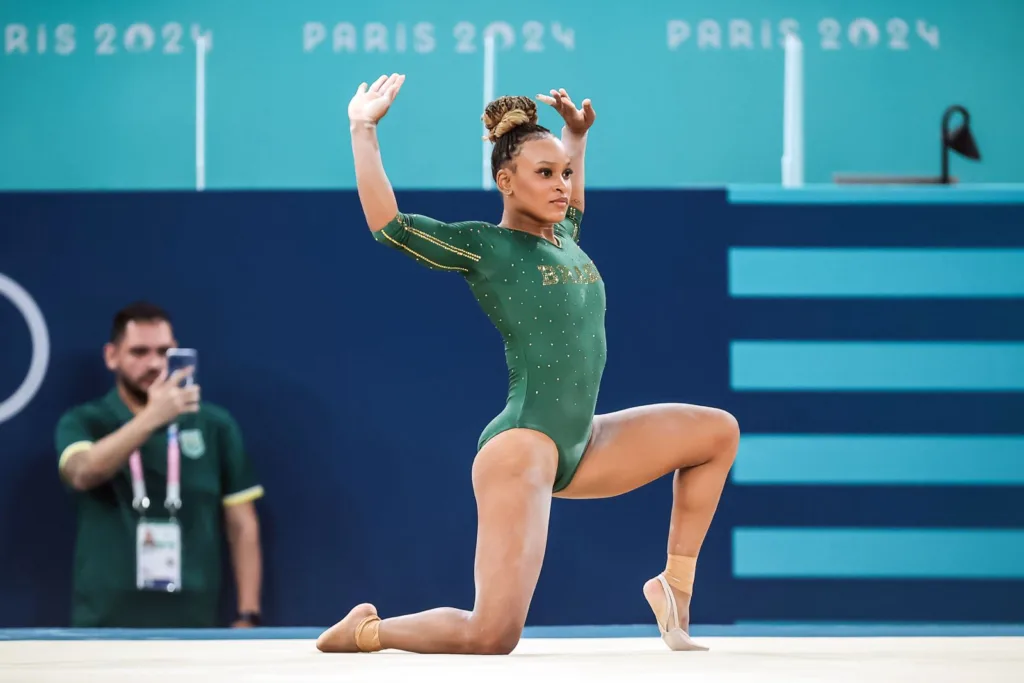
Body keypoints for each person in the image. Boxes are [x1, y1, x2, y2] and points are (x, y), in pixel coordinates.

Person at [317, 74, 739, 655]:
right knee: (492, 634)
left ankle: (675, 586)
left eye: (564, 173)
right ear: (505, 182)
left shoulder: (565, 235)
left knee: (716, 432)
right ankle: (368, 630)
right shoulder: (487, 249)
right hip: (524, 445)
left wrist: (574, 138)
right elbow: (390, 227)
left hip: (582, 443)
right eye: (545, 175)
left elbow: (573, 197)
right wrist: (363, 128)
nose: (562, 186)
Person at [54, 301, 265, 628]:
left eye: (164, 351)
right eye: (139, 352)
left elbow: (242, 524)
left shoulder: (214, 425)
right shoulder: (84, 421)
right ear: (112, 356)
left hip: (193, 621)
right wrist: (152, 418)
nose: (153, 363)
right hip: (103, 623)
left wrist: (248, 613)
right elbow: (82, 472)